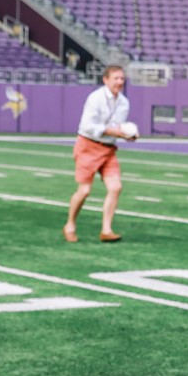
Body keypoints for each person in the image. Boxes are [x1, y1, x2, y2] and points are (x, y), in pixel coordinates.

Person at [62, 64, 137, 243]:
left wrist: (128, 135)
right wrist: (114, 132)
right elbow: (88, 126)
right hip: (88, 146)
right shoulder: (95, 98)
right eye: (116, 78)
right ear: (105, 80)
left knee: (115, 187)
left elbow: (118, 127)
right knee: (85, 190)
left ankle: (106, 229)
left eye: (121, 79)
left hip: (108, 149)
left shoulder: (124, 102)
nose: (119, 82)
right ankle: (70, 224)